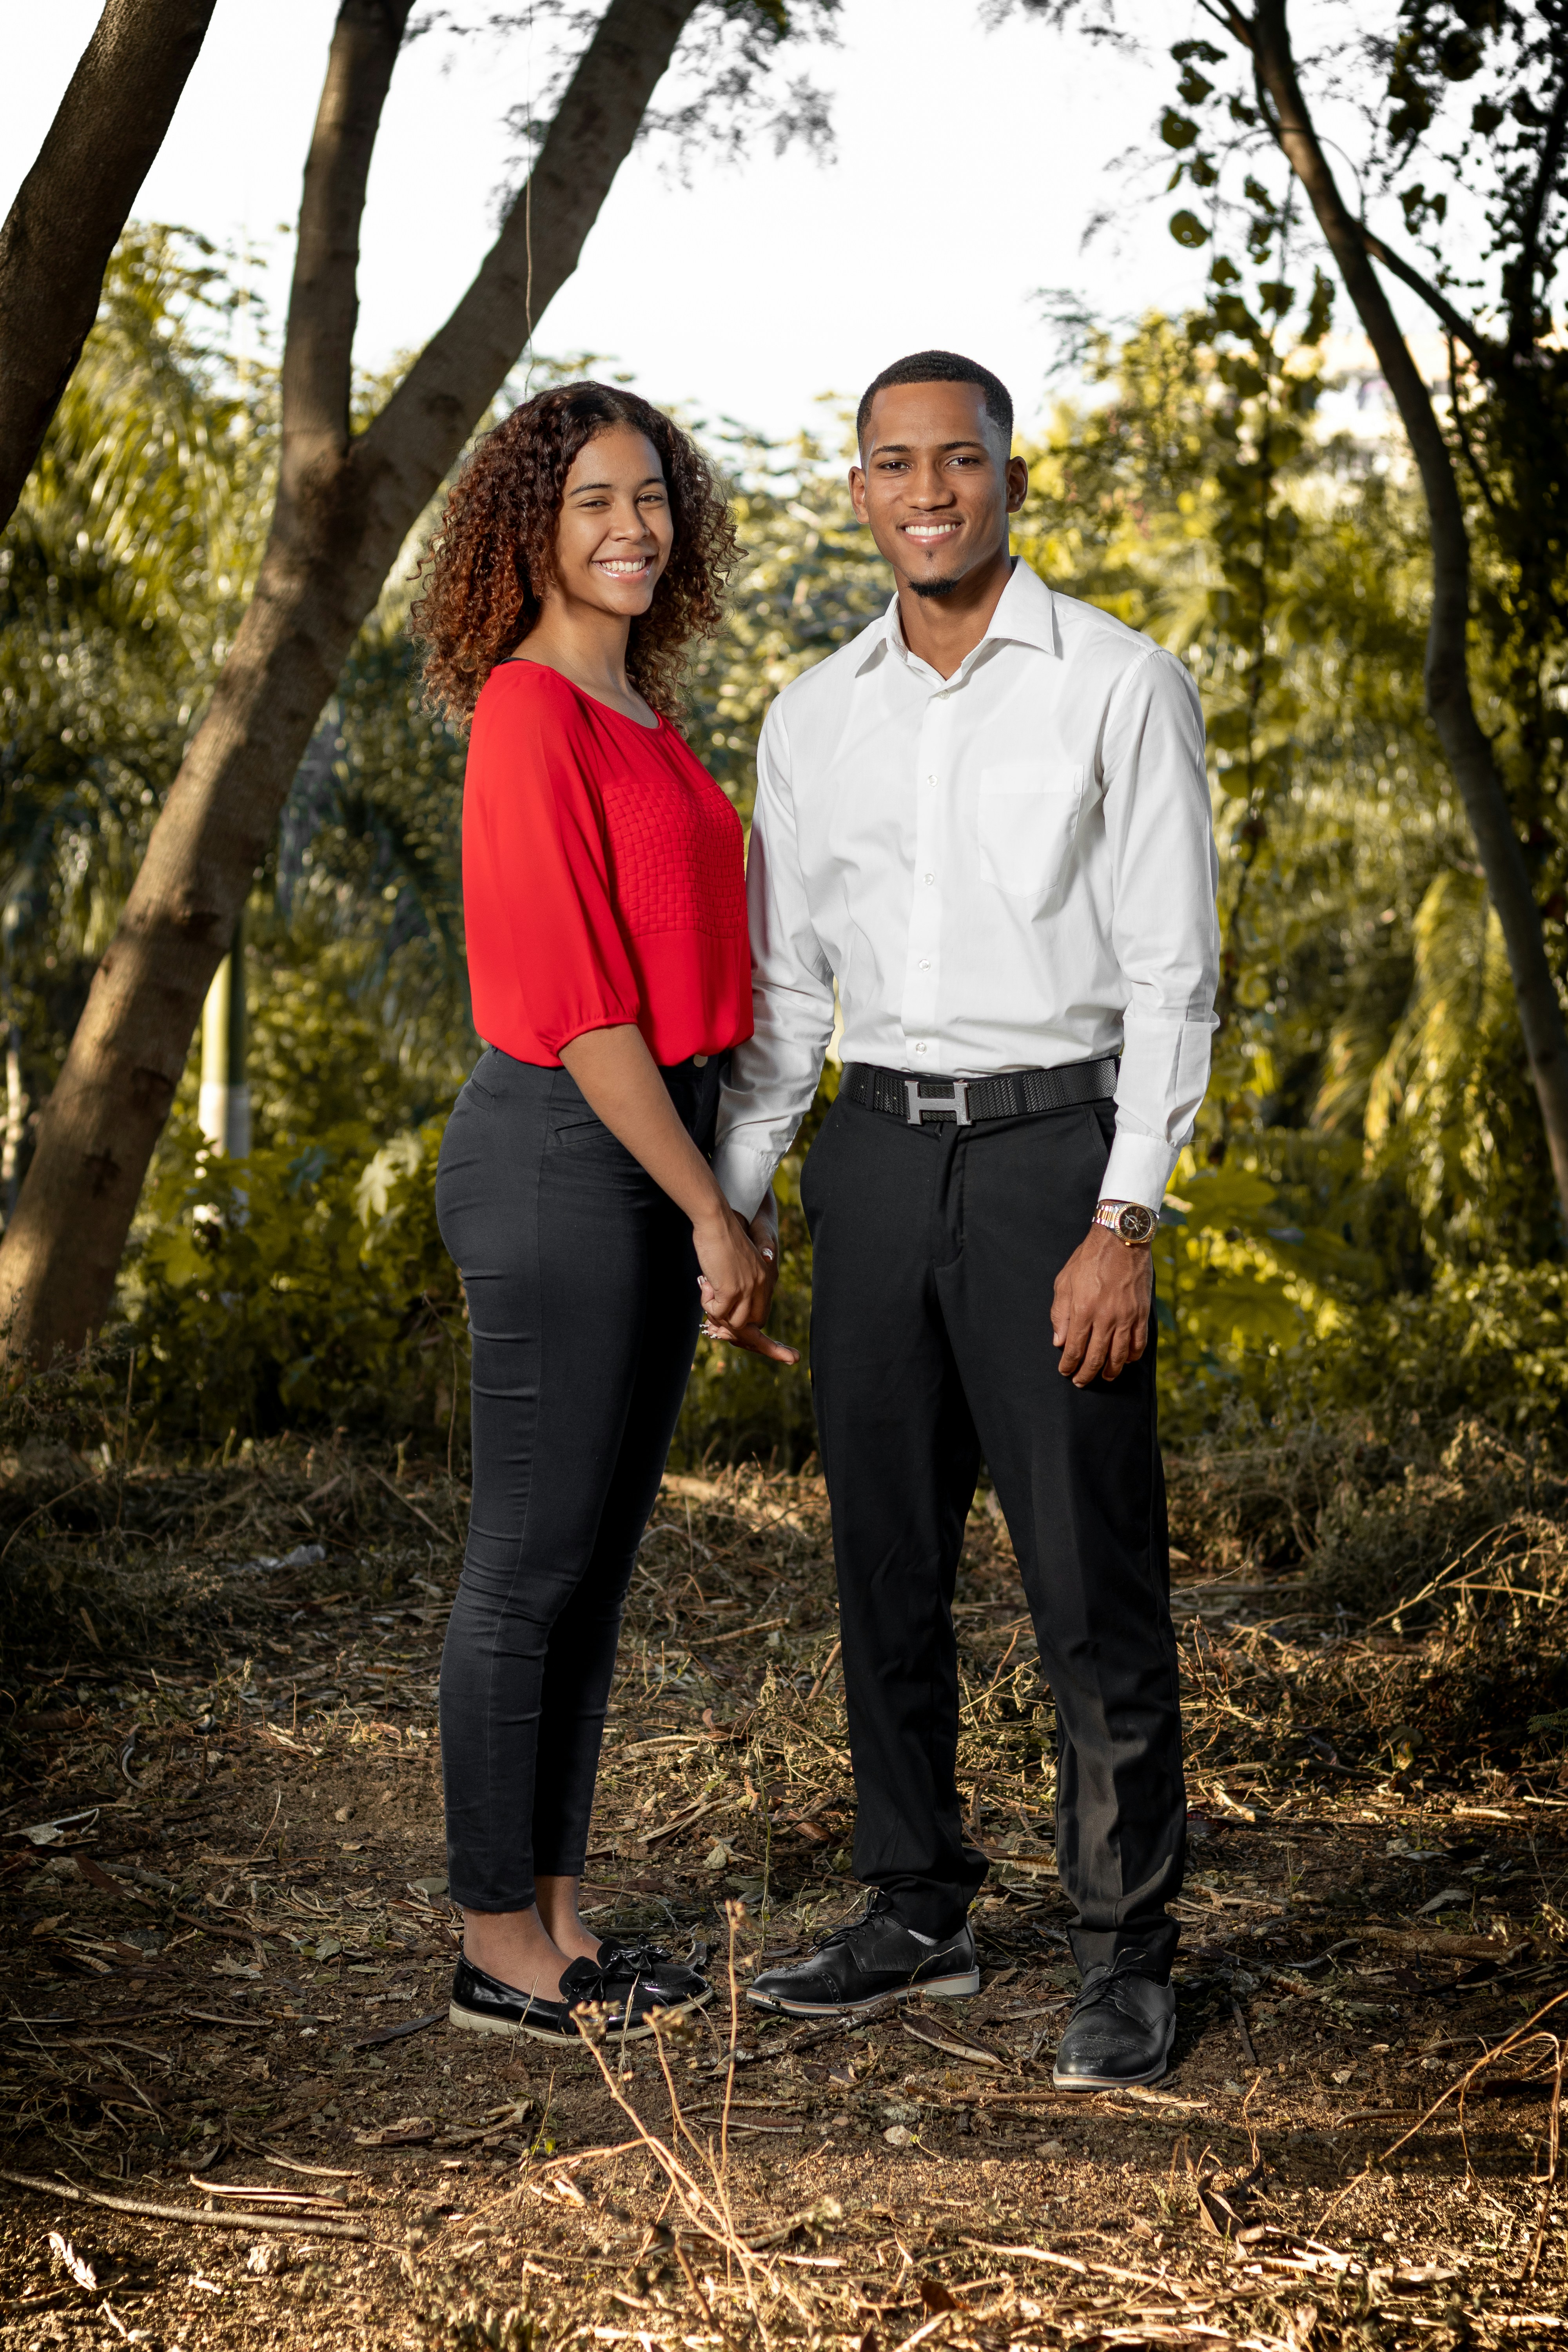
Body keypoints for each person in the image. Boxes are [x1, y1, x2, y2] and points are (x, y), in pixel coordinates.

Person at [708, 350, 1219, 2090]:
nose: (924, 490)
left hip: (1047, 1162)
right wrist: (745, 1205)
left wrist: (1123, 1214)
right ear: (854, 489)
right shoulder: (809, 716)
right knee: (886, 1567)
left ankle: (1125, 1956)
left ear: (1012, 478)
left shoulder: (1118, 687)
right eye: (890, 464)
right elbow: (783, 998)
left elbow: (1172, 980)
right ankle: (913, 1911)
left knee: (1087, 1581)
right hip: (870, 1155)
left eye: (957, 461)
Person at [411, 381, 793, 2045]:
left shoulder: (638, 710)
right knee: (524, 1569)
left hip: (652, 1146)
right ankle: (496, 1941)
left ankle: (564, 1924)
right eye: (591, 504)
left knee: (592, 1568)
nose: (630, 526)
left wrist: (712, 1188)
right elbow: (579, 1006)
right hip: (572, 1146)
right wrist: (714, 1215)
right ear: (527, 530)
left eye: (649, 498)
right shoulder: (528, 713)